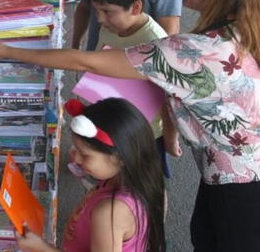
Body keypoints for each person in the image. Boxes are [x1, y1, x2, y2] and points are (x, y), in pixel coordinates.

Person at [0, 0, 260, 251]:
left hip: (240, 189)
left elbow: (86, 61)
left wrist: (8, 52)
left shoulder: (195, 52)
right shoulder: (251, 29)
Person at [15, 98, 165, 252]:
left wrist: (41, 247)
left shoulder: (109, 214)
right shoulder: (144, 182)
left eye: (85, 155)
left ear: (120, 159)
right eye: (76, 149)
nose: (75, 157)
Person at [87, 0, 179, 161]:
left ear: (136, 8)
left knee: (143, 184)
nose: (100, 19)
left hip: (143, 134)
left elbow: (168, 97)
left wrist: (171, 138)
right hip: (113, 121)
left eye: (107, 11)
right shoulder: (112, 26)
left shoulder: (155, 42)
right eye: (96, 11)